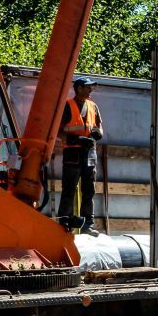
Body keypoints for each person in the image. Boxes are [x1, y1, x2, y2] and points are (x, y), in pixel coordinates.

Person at [57, 76, 103, 234]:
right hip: (72, 152)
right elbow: (59, 131)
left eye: (91, 87)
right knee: (69, 188)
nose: (91, 90)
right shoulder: (67, 106)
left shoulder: (93, 106)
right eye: (88, 87)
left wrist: (96, 135)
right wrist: (76, 139)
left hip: (89, 153)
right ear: (78, 88)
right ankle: (64, 222)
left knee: (89, 189)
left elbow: (99, 128)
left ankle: (87, 224)